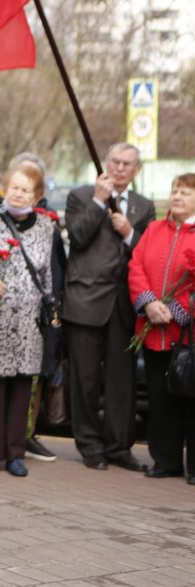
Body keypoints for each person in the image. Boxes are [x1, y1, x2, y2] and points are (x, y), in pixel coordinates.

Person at [65, 143, 154, 472]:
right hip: (85, 301)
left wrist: (130, 233)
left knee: (121, 382)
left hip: (124, 305)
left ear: (136, 170)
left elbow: (149, 253)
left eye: (127, 164)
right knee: (85, 380)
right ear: (105, 163)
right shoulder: (80, 196)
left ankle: (119, 447)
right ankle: (90, 446)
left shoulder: (144, 206)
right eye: (114, 161)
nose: (119, 168)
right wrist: (98, 202)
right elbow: (77, 237)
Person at [0, 163, 57, 478]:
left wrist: (49, 309)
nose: (18, 193)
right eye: (14, 187)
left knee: (21, 390)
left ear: (37, 195)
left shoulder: (45, 227)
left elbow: (48, 275)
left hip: (28, 325)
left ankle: (16, 453)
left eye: (26, 189)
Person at [128, 173, 195, 483]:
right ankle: (165, 460)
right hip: (154, 330)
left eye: (185, 192)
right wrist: (149, 303)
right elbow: (135, 266)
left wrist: (178, 311)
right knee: (160, 399)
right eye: (174, 191)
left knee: (191, 400)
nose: (177, 197)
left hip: (188, 336)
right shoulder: (154, 229)